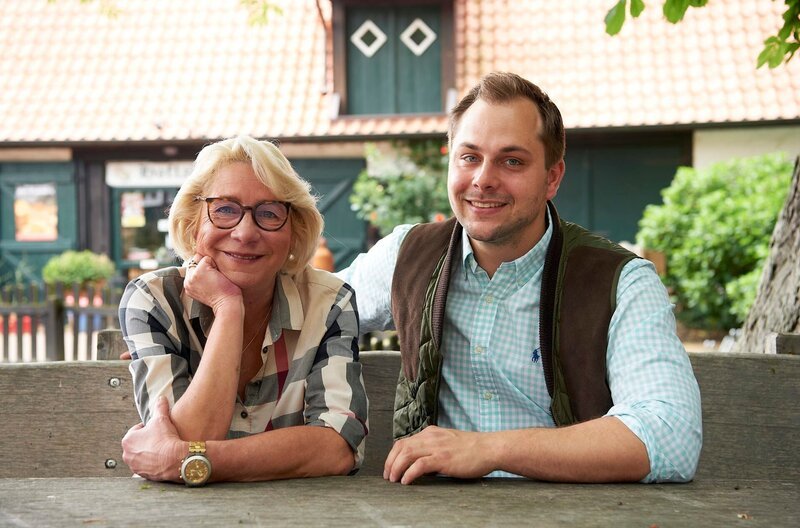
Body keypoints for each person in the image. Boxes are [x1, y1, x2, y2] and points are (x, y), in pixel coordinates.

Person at [338, 72, 702, 485]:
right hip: (435, 513)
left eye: (512, 160)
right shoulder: (408, 255)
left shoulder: (623, 283)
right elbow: (310, 307)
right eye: (469, 157)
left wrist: (490, 448)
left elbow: (670, 435)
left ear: (552, 177)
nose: (483, 179)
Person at [119, 136, 368, 485]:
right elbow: (192, 433)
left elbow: (337, 446)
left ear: (294, 230)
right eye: (224, 209)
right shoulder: (154, 300)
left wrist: (186, 460)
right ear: (193, 223)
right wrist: (228, 308)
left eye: (269, 213)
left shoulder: (329, 302)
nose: (245, 232)